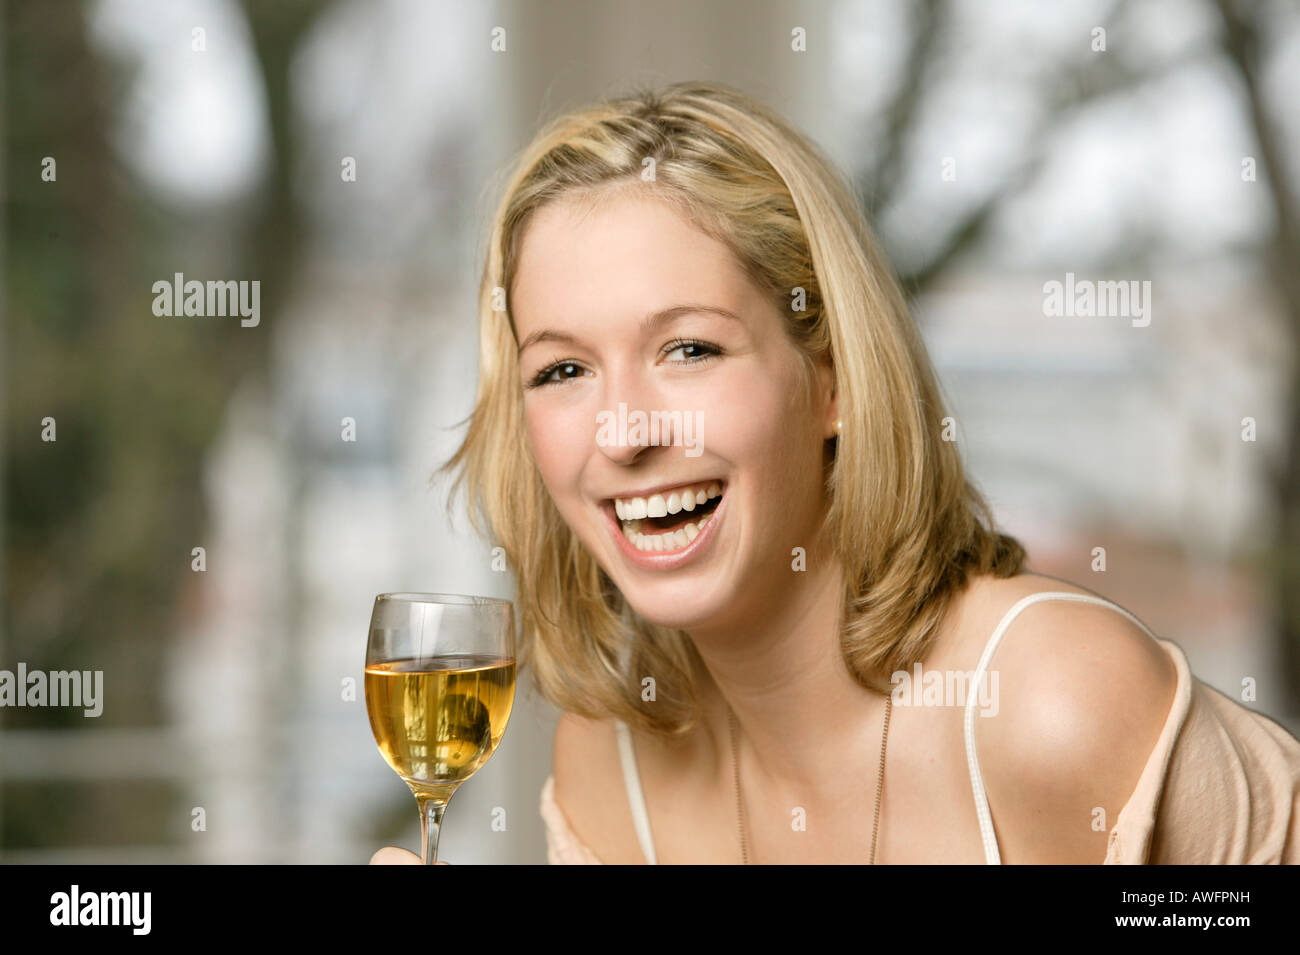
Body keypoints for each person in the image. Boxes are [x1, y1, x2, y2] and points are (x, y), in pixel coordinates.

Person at [373, 80, 1300, 865]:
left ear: (834, 381)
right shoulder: (606, 773)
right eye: (563, 370)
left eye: (691, 348)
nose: (622, 432)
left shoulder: (1055, 706)